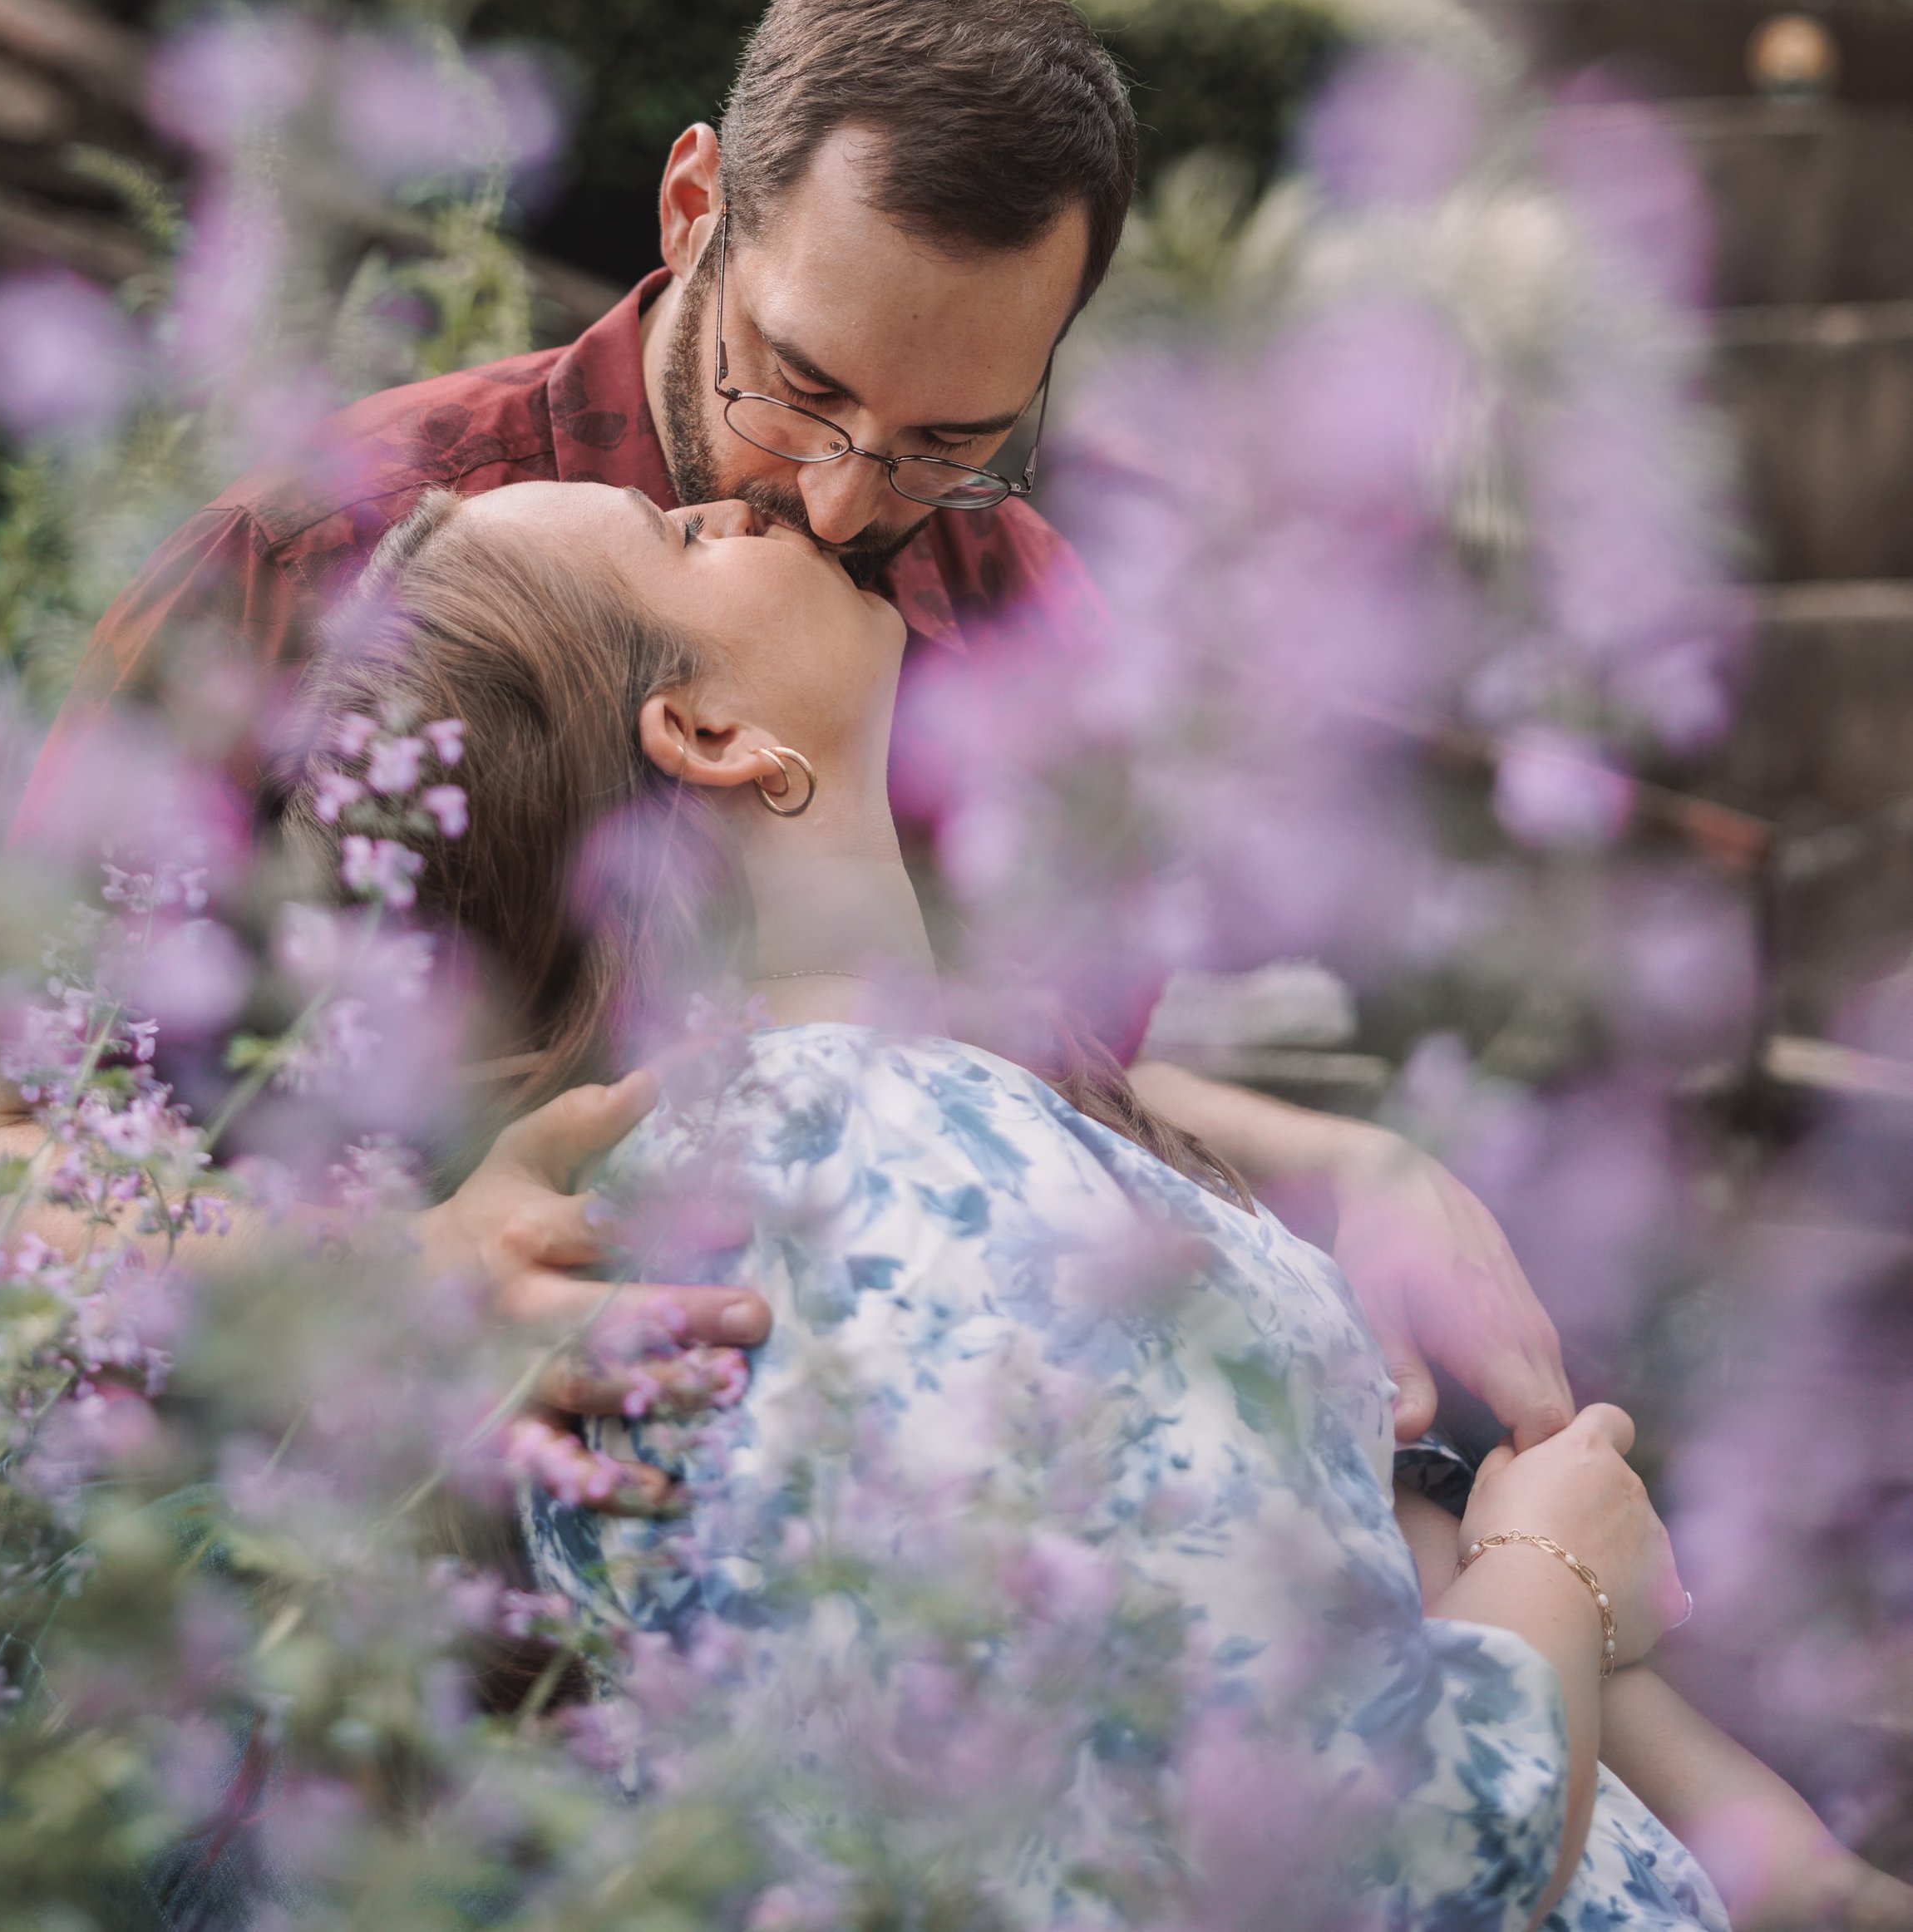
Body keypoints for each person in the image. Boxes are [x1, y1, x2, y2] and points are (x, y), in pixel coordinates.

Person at [0, 0, 1575, 1461]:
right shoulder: (329, 551)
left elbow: (987, 1084)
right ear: (695, 209)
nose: (838, 503)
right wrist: (390, 1270)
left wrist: (1336, 1157)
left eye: (953, 437)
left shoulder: (1033, 629)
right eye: (801, 387)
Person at [280, 476, 1909, 1932]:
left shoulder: (731, 1178)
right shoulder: (911, 1169)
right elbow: (1377, 1860)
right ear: (711, 735)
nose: (760, 500)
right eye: (679, 535)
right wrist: (1555, 1561)